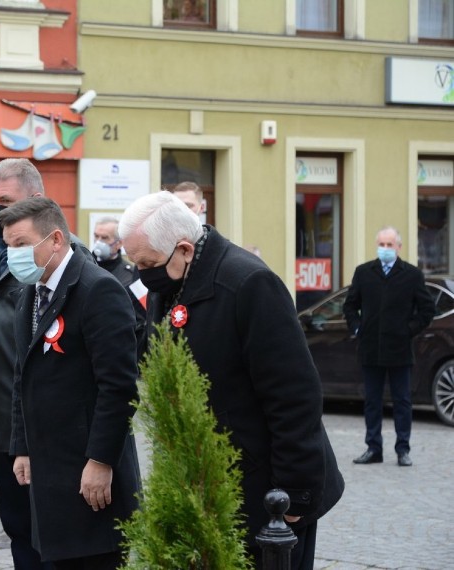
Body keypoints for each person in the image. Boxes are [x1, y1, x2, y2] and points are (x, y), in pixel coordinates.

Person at [119, 191, 344, 570]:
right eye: (135, 263)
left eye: (147, 263)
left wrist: (292, 497)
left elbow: (295, 395)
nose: (143, 273)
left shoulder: (249, 284)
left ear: (185, 250)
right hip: (209, 481)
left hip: (266, 490)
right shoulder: (170, 281)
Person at [0, 158, 91, 570]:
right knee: (16, 526)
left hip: (42, 421)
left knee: (49, 528)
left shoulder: (64, 256)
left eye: (6, 200)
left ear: (36, 199)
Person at [1, 197, 141, 569]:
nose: (11, 254)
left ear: (56, 240)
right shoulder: (29, 292)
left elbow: (119, 388)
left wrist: (100, 460)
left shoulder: (99, 290)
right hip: (47, 472)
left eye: (20, 244)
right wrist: (21, 446)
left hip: (88, 472)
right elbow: (22, 374)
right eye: (7, 246)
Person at [343, 226, 434, 468]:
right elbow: (350, 306)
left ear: (399, 247)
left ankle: (403, 449)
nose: (385, 249)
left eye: (389, 245)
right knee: (372, 401)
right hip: (371, 348)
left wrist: (408, 330)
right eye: (381, 244)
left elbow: (427, 310)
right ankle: (373, 448)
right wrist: (357, 328)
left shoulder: (412, 275)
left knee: (402, 401)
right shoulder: (364, 273)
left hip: (399, 350)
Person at [92, 216, 146, 349]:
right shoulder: (86, 268)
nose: (98, 242)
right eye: (96, 236)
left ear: (119, 243)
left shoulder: (132, 276)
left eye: (104, 238)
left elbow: (143, 319)